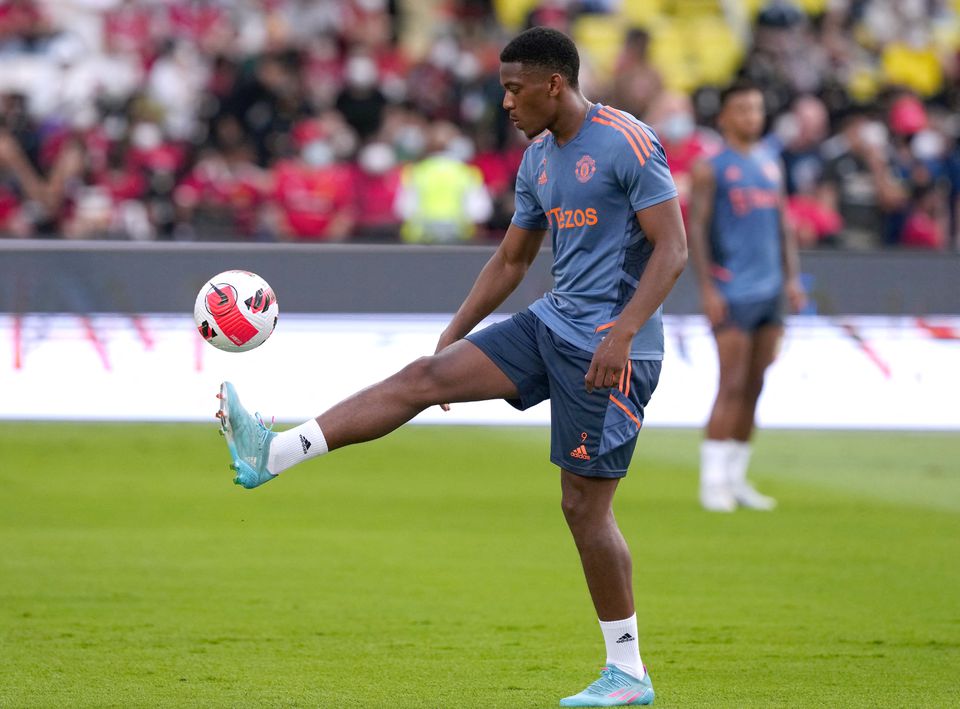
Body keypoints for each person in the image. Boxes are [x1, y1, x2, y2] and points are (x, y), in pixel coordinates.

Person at [216, 27, 686, 707]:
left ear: (554, 84)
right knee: (421, 378)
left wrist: (625, 332)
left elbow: (671, 249)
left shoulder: (628, 141)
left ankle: (628, 672)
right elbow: (511, 261)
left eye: (514, 89)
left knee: (583, 506)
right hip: (552, 326)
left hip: (613, 353)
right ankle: (272, 452)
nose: (505, 103)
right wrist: (452, 335)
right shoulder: (537, 162)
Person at [686, 79, 806, 513]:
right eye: (743, 109)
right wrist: (707, 288)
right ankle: (712, 480)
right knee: (731, 383)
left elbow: (784, 227)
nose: (752, 117)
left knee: (756, 385)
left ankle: (736, 478)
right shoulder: (710, 167)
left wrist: (793, 279)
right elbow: (696, 228)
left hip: (772, 289)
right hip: (732, 289)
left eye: (757, 109)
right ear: (724, 117)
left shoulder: (772, 164)